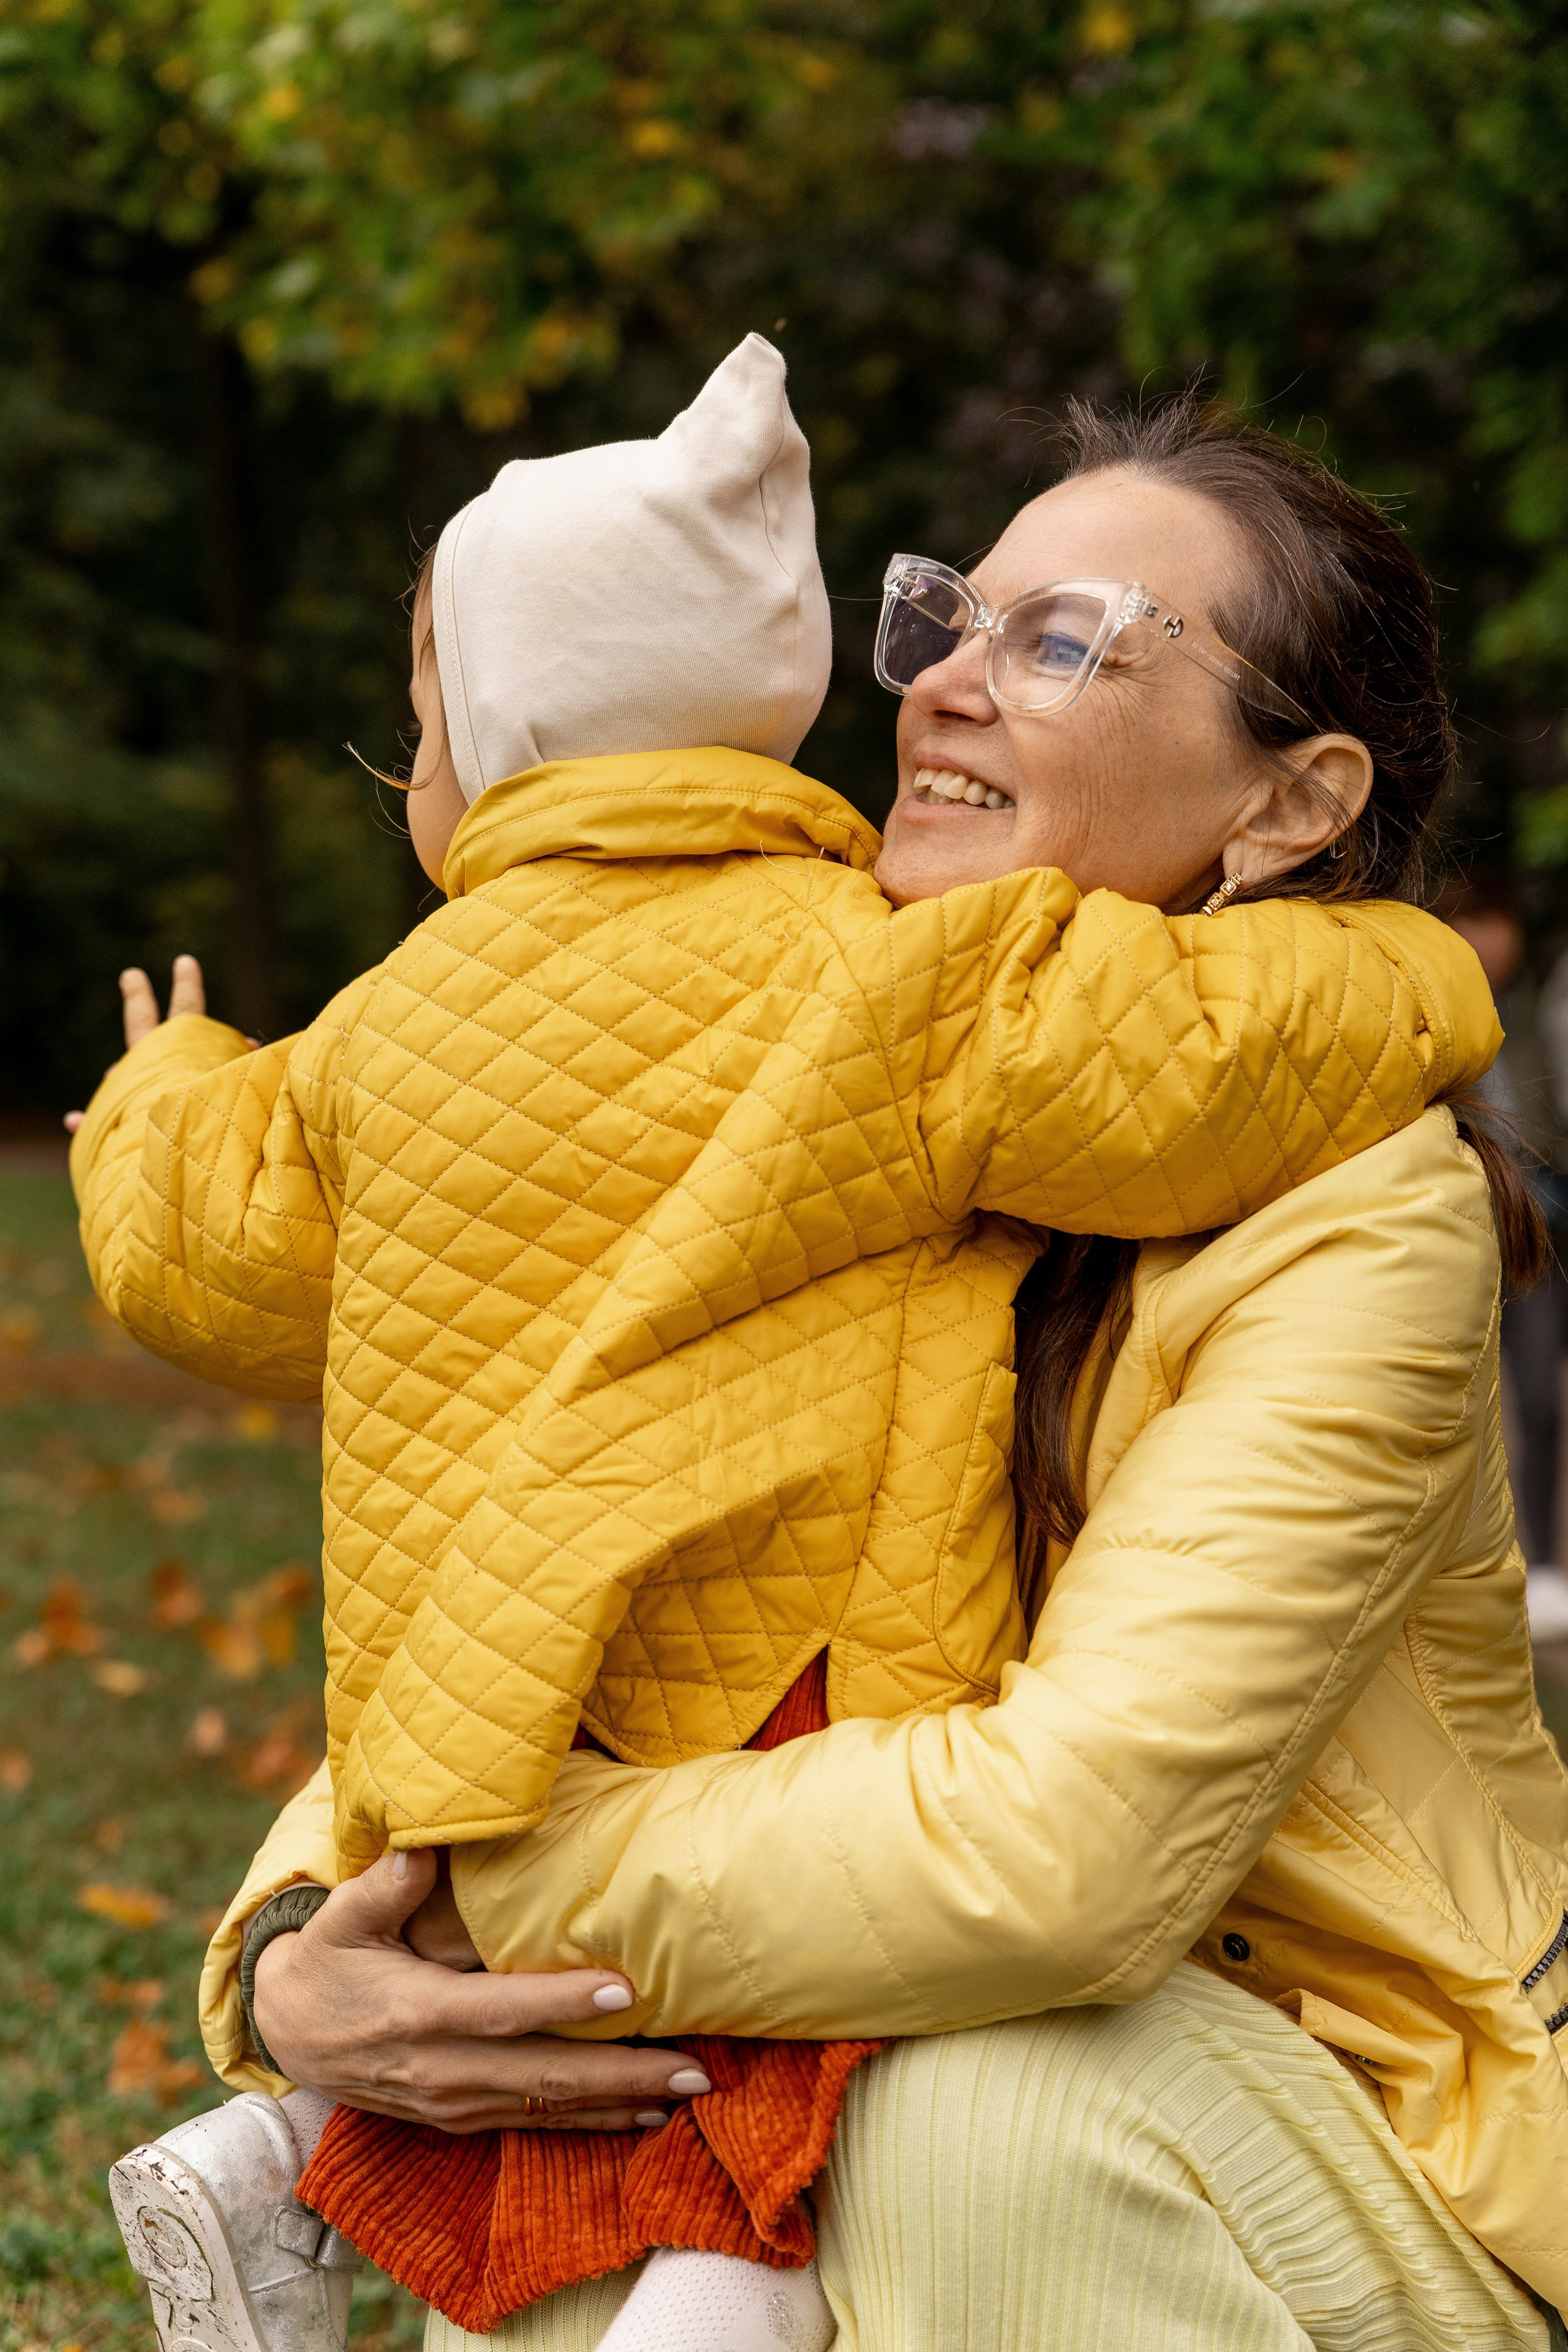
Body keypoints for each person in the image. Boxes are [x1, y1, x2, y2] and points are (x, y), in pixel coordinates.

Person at [81, 378, 1520, 2352]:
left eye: (1063, 638)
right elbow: (575, 1553)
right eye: (945, 616)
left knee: (960, 2102)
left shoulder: (1361, 1215)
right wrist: (299, 1966)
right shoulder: (814, 1063)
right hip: (895, 2035)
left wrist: (488, 1878)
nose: (940, 683)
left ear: (1289, 802)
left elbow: (1058, 1860)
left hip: (1320, 2126)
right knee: (588, 2185)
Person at [1444, 875, 1567, 1597]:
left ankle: (1545, 1565)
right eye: (1473, 923)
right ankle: (1468, 1573)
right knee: (1459, 1407)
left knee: (1541, 1401)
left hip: (1537, 1237)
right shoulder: (1433, 1008)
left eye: (1497, 924)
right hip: (1460, 1235)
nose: (1488, 941)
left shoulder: (1529, 1011)